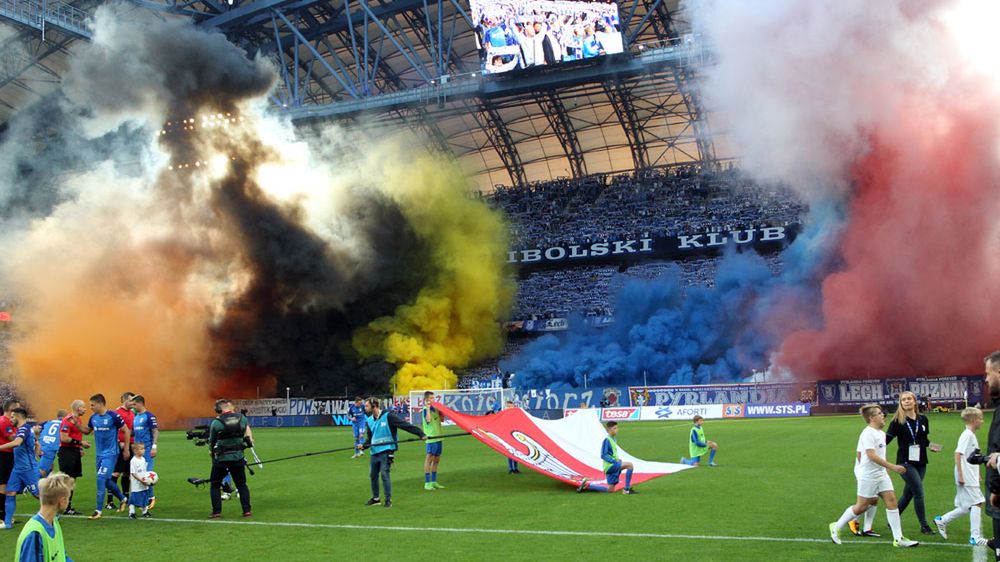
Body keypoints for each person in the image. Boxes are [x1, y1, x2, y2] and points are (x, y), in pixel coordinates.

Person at [828, 404, 918, 548]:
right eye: (880, 413)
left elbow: (881, 453)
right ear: (872, 418)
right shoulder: (867, 433)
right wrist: (892, 466)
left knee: (891, 501)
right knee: (862, 506)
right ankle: (837, 526)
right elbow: (871, 455)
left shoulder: (881, 433)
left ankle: (898, 539)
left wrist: (886, 470)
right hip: (868, 475)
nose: (883, 416)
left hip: (881, 474)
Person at [933, 407, 989, 546]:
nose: (982, 421)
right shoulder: (967, 435)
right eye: (981, 419)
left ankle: (942, 520)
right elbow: (958, 454)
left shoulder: (971, 434)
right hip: (965, 474)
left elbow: (972, 457)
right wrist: (961, 474)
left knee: (965, 506)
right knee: (977, 502)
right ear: (974, 420)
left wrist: (977, 474)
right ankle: (975, 537)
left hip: (970, 474)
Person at [885, 390, 938, 535]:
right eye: (904, 400)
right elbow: (885, 441)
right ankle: (924, 526)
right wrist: (872, 448)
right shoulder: (897, 421)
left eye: (909, 399)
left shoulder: (923, 419)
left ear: (915, 401)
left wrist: (930, 445)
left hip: (921, 461)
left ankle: (892, 521)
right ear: (901, 404)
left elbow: (923, 439)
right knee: (919, 493)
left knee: (908, 494)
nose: (907, 401)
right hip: (905, 463)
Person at [69, 393, 129, 519]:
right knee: (106, 481)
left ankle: (98, 510)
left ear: (100, 404)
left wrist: (126, 449)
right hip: (99, 454)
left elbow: (126, 430)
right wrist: (76, 425)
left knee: (101, 479)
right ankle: (123, 499)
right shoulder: (93, 418)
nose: (90, 407)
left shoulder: (113, 416)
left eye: (92, 405)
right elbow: (87, 431)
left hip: (111, 453)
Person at [363, 397, 426, 508]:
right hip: (374, 452)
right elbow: (370, 439)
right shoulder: (369, 420)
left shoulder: (388, 416)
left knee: (384, 474)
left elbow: (404, 425)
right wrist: (364, 446)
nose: (365, 408)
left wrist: (420, 434)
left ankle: (388, 500)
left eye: (367, 406)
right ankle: (376, 498)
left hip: (387, 450)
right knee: (373, 476)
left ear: (374, 406)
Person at [14, 472, 75, 562]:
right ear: (62, 501)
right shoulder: (35, 534)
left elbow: (62, 556)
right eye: (68, 497)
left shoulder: (54, 522)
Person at [208, 399, 252, 518]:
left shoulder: (216, 423)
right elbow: (246, 434)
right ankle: (246, 510)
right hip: (238, 457)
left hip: (222, 459)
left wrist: (211, 453)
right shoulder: (241, 418)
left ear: (219, 409)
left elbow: (212, 442)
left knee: (215, 485)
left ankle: (216, 512)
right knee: (242, 485)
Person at [0, 408, 41, 530]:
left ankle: (54, 514)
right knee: (10, 492)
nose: (10, 419)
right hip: (17, 468)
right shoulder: (23, 429)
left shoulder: (25, 429)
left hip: (28, 468)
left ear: (18, 417)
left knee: (38, 494)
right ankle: (7, 523)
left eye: (12, 417)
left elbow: (17, 443)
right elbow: (36, 443)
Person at [576, 421, 637, 494]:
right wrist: (614, 461)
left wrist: (617, 459)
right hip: (610, 466)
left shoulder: (613, 439)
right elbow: (603, 455)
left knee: (610, 490)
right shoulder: (607, 440)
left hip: (610, 466)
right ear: (608, 430)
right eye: (614, 428)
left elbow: (612, 453)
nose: (617, 430)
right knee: (630, 465)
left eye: (617, 428)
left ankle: (587, 486)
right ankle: (627, 489)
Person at [57, 400, 89, 515]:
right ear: (78, 408)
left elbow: (83, 432)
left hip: (74, 451)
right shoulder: (67, 420)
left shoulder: (77, 420)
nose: (85, 409)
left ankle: (67, 506)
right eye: (83, 407)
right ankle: (61, 506)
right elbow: (64, 438)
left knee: (72, 479)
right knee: (66, 480)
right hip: (67, 452)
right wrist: (80, 443)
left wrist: (78, 448)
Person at [131, 396, 158, 509]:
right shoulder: (136, 417)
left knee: (146, 474)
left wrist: (154, 447)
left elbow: (155, 431)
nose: (133, 406)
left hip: (146, 450)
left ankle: (151, 498)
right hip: (137, 451)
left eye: (134, 404)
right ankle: (142, 500)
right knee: (137, 475)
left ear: (140, 403)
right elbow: (134, 432)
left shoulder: (149, 416)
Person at [112, 392, 135, 505]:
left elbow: (131, 429)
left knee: (127, 473)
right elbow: (113, 429)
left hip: (130, 445)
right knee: (116, 473)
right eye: (131, 400)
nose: (132, 403)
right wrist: (118, 442)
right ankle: (109, 501)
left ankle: (126, 498)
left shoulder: (132, 413)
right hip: (120, 446)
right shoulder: (117, 413)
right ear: (124, 400)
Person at [0, 399, 21, 525]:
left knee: (7, 486)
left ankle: (6, 516)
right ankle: (2, 516)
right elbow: (13, 438)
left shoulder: (7, 421)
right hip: (3, 456)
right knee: (3, 486)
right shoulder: (4, 422)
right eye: (17, 409)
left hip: (7, 455)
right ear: (10, 410)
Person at [422, 391, 444, 491]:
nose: (433, 400)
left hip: (438, 437)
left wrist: (441, 412)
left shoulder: (435, 409)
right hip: (431, 438)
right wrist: (427, 408)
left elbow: (442, 420)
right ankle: (427, 482)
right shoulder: (425, 410)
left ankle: (434, 481)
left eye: (433, 398)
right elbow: (428, 420)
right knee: (429, 459)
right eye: (431, 398)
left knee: (436, 460)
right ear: (426, 400)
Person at [37, 410, 66, 477]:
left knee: (49, 466)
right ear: (65, 417)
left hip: (42, 445)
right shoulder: (64, 424)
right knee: (42, 471)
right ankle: (33, 485)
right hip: (50, 447)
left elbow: (37, 428)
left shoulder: (48, 422)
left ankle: (46, 483)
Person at [127, 442, 151, 519]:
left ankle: (145, 512)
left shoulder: (143, 459)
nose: (143, 450)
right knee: (134, 499)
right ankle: (131, 512)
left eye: (143, 448)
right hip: (136, 484)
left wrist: (148, 479)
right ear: (135, 451)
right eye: (141, 449)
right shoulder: (133, 461)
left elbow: (144, 471)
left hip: (144, 483)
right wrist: (140, 480)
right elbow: (133, 473)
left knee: (145, 497)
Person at [505, 400, 521, 474]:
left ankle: (515, 468)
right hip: (508, 436)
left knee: (516, 453)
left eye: (510, 406)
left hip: (515, 435)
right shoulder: (505, 414)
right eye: (508, 406)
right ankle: (511, 469)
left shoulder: (514, 413)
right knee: (510, 453)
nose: (509, 407)